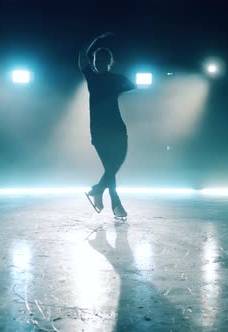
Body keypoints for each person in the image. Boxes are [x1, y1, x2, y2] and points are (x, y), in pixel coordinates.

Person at [78, 32, 137, 218]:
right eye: (96, 59)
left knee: (114, 166)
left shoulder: (115, 79)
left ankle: (98, 191)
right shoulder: (91, 77)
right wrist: (95, 37)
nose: (98, 62)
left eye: (102, 59)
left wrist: (117, 83)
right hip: (99, 131)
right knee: (111, 169)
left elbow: (133, 84)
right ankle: (114, 203)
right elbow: (81, 52)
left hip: (117, 129)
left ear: (108, 62)